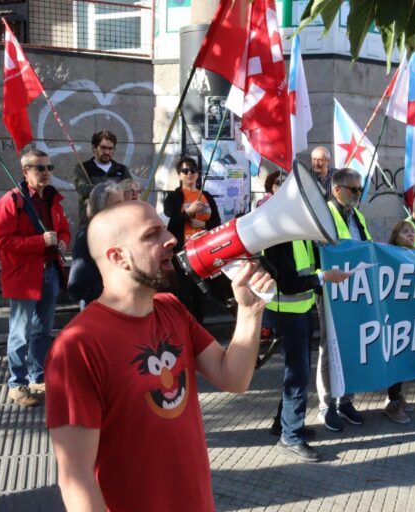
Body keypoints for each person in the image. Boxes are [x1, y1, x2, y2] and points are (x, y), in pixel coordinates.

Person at [45, 201, 274, 510]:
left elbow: (233, 377)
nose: (172, 239)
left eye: (165, 228)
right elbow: (76, 478)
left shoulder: (172, 308)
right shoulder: (78, 345)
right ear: (118, 256)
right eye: (152, 234)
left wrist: (249, 311)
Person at [0, 149, 70, 407]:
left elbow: (65, 230)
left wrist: (63, 242)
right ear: (26, 172)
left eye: (50, 167)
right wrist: (40, 241)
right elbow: (2, 241)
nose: (47, 173)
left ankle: (38, 377)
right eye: (40, 168)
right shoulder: (11, 201)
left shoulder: (53, 199)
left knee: (42, 330)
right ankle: (17, 384)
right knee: (20, 334)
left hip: (50, 271)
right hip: (24, 276)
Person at [263, 240, 349, 461]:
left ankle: (283, 424)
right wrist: (323, 277)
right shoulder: (281, 238)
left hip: (299, 310)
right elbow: (288, 283)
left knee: (297, 373)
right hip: (287, 313)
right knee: (297, 375)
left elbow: (308, 271)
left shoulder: (300, 236)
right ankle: (290, 438)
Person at [317, 168, 370, 432]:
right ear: (337, 190)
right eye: (354, 189)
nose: (359, 194)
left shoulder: (357, 214)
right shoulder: (323, 213)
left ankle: (346, 400)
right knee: (329, 349)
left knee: (350, 346)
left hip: (355, 290)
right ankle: (326, 405)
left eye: (360, 189)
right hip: (331, 291)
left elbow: (367, 246)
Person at [163, 157, 222, 319]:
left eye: (193, 170)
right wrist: (187, 214)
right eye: (185, 171)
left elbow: (217, 224)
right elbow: (168, 224)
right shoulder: (173, 198)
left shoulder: (206, 196)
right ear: (179, 175)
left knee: (201, 293)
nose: (189, 173)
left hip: (203, 251)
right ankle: (184, 327)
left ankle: (199, 328)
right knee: (184, 292)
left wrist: (202, 224)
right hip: (182, 253)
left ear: (198, 174)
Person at [381, 220, 415, 424]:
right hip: (393, 316)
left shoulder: (413, 255)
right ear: (395, 235)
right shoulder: (388, 255)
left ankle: (397, 395)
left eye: (412, 231)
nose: (411, 234)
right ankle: (392, 402)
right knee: (394, 358)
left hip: (408, 315)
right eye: (405, 231)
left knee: (403, 358)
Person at [67, 182, 125, 306]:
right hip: (98, 307)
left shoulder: (124, 233)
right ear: (101, 207)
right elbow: (77, 286)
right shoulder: (87, 236)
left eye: (123, 203)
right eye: (117, 204)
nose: (123, 208)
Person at [73, 130, 132, 227]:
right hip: (91, 224)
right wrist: (111, 190)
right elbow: (82, 189)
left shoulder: (122, 169)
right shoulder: (83, 168)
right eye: (103, 148)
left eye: (110, 148)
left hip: (117, 222)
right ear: (94, 148)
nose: (107, 152)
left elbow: (129, 190)